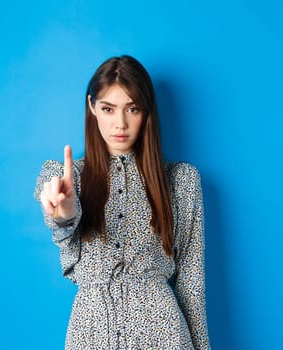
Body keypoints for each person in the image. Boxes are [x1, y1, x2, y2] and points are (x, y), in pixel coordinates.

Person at [34, 55, 210, 350]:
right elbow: (61, 222)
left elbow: (191, 285)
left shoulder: (181, 181)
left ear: (146, 111)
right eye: (108, 108)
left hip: (163, 334)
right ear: (92, 107)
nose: (121, 123)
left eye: (132, 109)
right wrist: (64, 216)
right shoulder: (64, 178)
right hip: (91, 333)